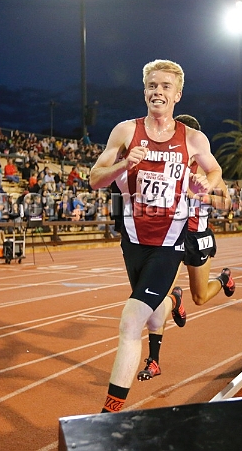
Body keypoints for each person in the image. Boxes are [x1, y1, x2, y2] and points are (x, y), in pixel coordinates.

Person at [89, 59, 223, 413]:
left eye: (165, 86)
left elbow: (219, 181)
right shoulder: (124, 132)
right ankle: (171, 302)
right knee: (150, 313)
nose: (157, 91)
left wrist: (204, 185)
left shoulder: (193, 139)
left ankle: (110, 413)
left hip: (171, 244)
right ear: (144, 91)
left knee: (131, 321)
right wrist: (123, 165)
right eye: (152, 85)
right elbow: (95, 178)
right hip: (133, 242)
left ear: (177, 94)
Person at [136, 114, 234, 382]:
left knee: (200, 297)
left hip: (197, 235)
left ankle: (223, 279)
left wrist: (200, 196)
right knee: (156, 300)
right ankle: (154, 361)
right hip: (170, 237)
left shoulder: (207, 169)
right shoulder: (165, 164)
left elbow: (227, 204)